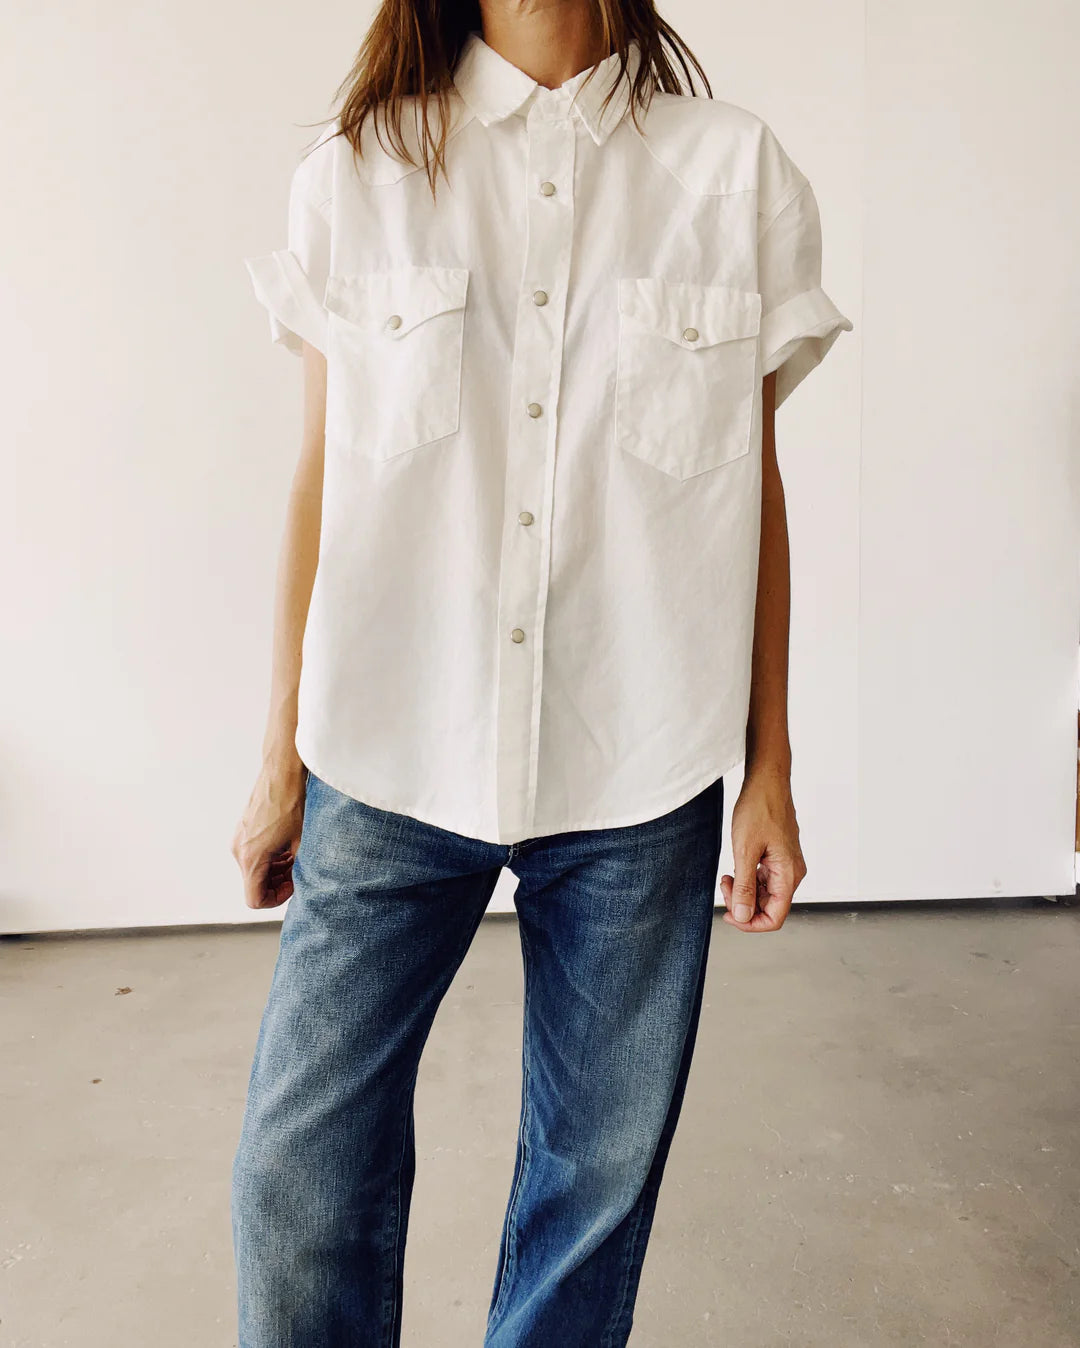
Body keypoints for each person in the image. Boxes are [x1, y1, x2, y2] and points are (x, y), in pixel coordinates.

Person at [229, 0, 852, 1343]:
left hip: (642, 761)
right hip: (389, 748)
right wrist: (280, 761)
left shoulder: (734, 172)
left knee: (592, 1195)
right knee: (299, 1177)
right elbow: (319, 484)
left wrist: (770, 770)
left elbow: (756, 492)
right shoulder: (360, 172)